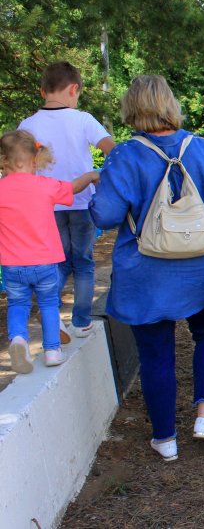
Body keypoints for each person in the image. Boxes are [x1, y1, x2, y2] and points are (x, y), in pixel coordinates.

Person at [89, 75, 204, 462]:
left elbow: (105, 216)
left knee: (155, 353)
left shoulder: (124, 155)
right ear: (170, 104)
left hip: (147, 275)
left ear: (131, 107)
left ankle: (165, 438)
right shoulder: (203, 148)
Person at [18, 61, 115, 341]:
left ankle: (52, 315)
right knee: (83, 262)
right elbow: (113, 151)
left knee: (57, 263)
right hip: (82, 201)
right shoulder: (83, 119)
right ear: (74, 89)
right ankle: (81, 321)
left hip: (45, 206)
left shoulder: (27, 125)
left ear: (42, 92)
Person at [0, 131, 100, 372]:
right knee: (48, 304)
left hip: (12, 264)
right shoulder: (45, 186)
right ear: (35, 160)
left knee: (18, 304)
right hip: (45, 262)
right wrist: (91, 175)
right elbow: (74, 187)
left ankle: (19, 339)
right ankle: (52, 351)